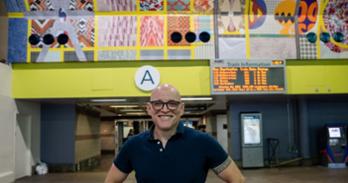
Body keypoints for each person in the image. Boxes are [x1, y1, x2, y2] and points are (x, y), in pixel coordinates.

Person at [105, 84, 245, 183]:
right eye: (158, 104)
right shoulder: (133, 145)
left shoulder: (204, 142)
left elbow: (237, 179)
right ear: (149, 109)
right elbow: (111, 180)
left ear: (181, 108)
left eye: (172, 103)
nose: (165, 109)